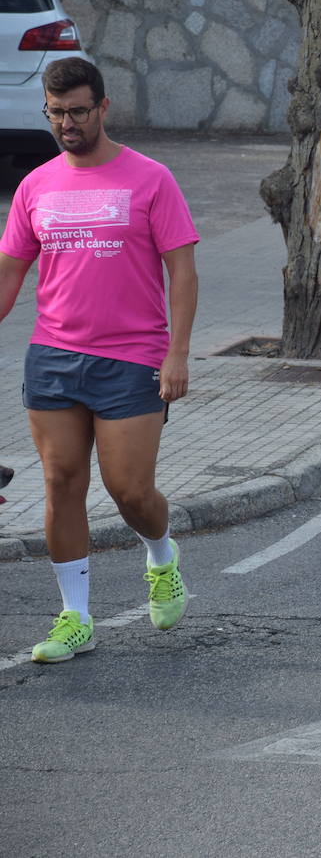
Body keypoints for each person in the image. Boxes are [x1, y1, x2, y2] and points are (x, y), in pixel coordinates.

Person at [0, 57, 198, 663]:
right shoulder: (36, 186)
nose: (67, 123)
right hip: (54, 356)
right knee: (61, 482)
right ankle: (76, 617)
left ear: (103, 107)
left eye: (78, 111)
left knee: (129, 490)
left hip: (133, 359)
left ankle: (161, 555)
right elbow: (9, 272)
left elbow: (183, 271)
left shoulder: (151, 179)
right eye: (56, 113)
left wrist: (178, 353)